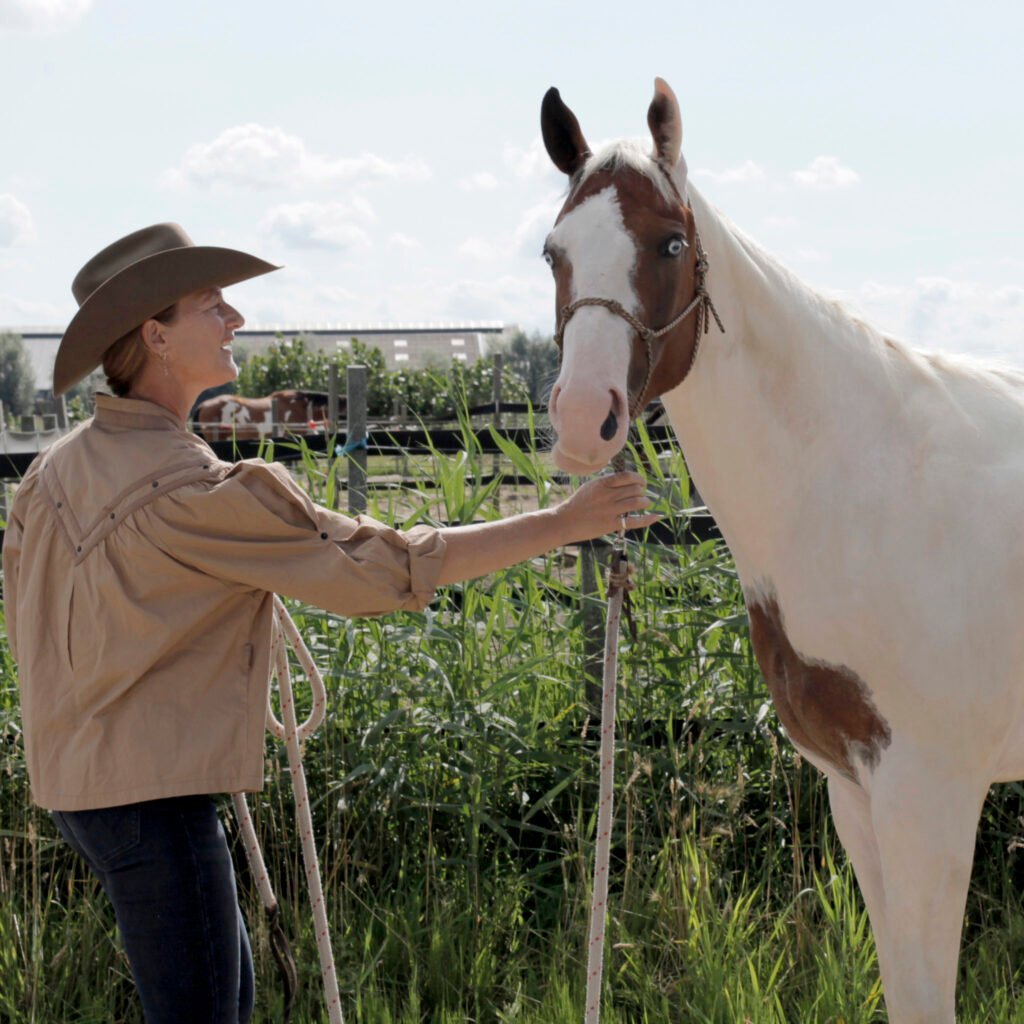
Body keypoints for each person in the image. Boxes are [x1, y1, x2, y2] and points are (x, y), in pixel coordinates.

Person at [1, 223, 657, 1023]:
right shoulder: (188, 488)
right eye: (213, 306)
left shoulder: (52, 473)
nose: (235, 319)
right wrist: (561, 523)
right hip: (155, 804)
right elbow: (386, 568)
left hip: (85, 791)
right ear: (156, 336)